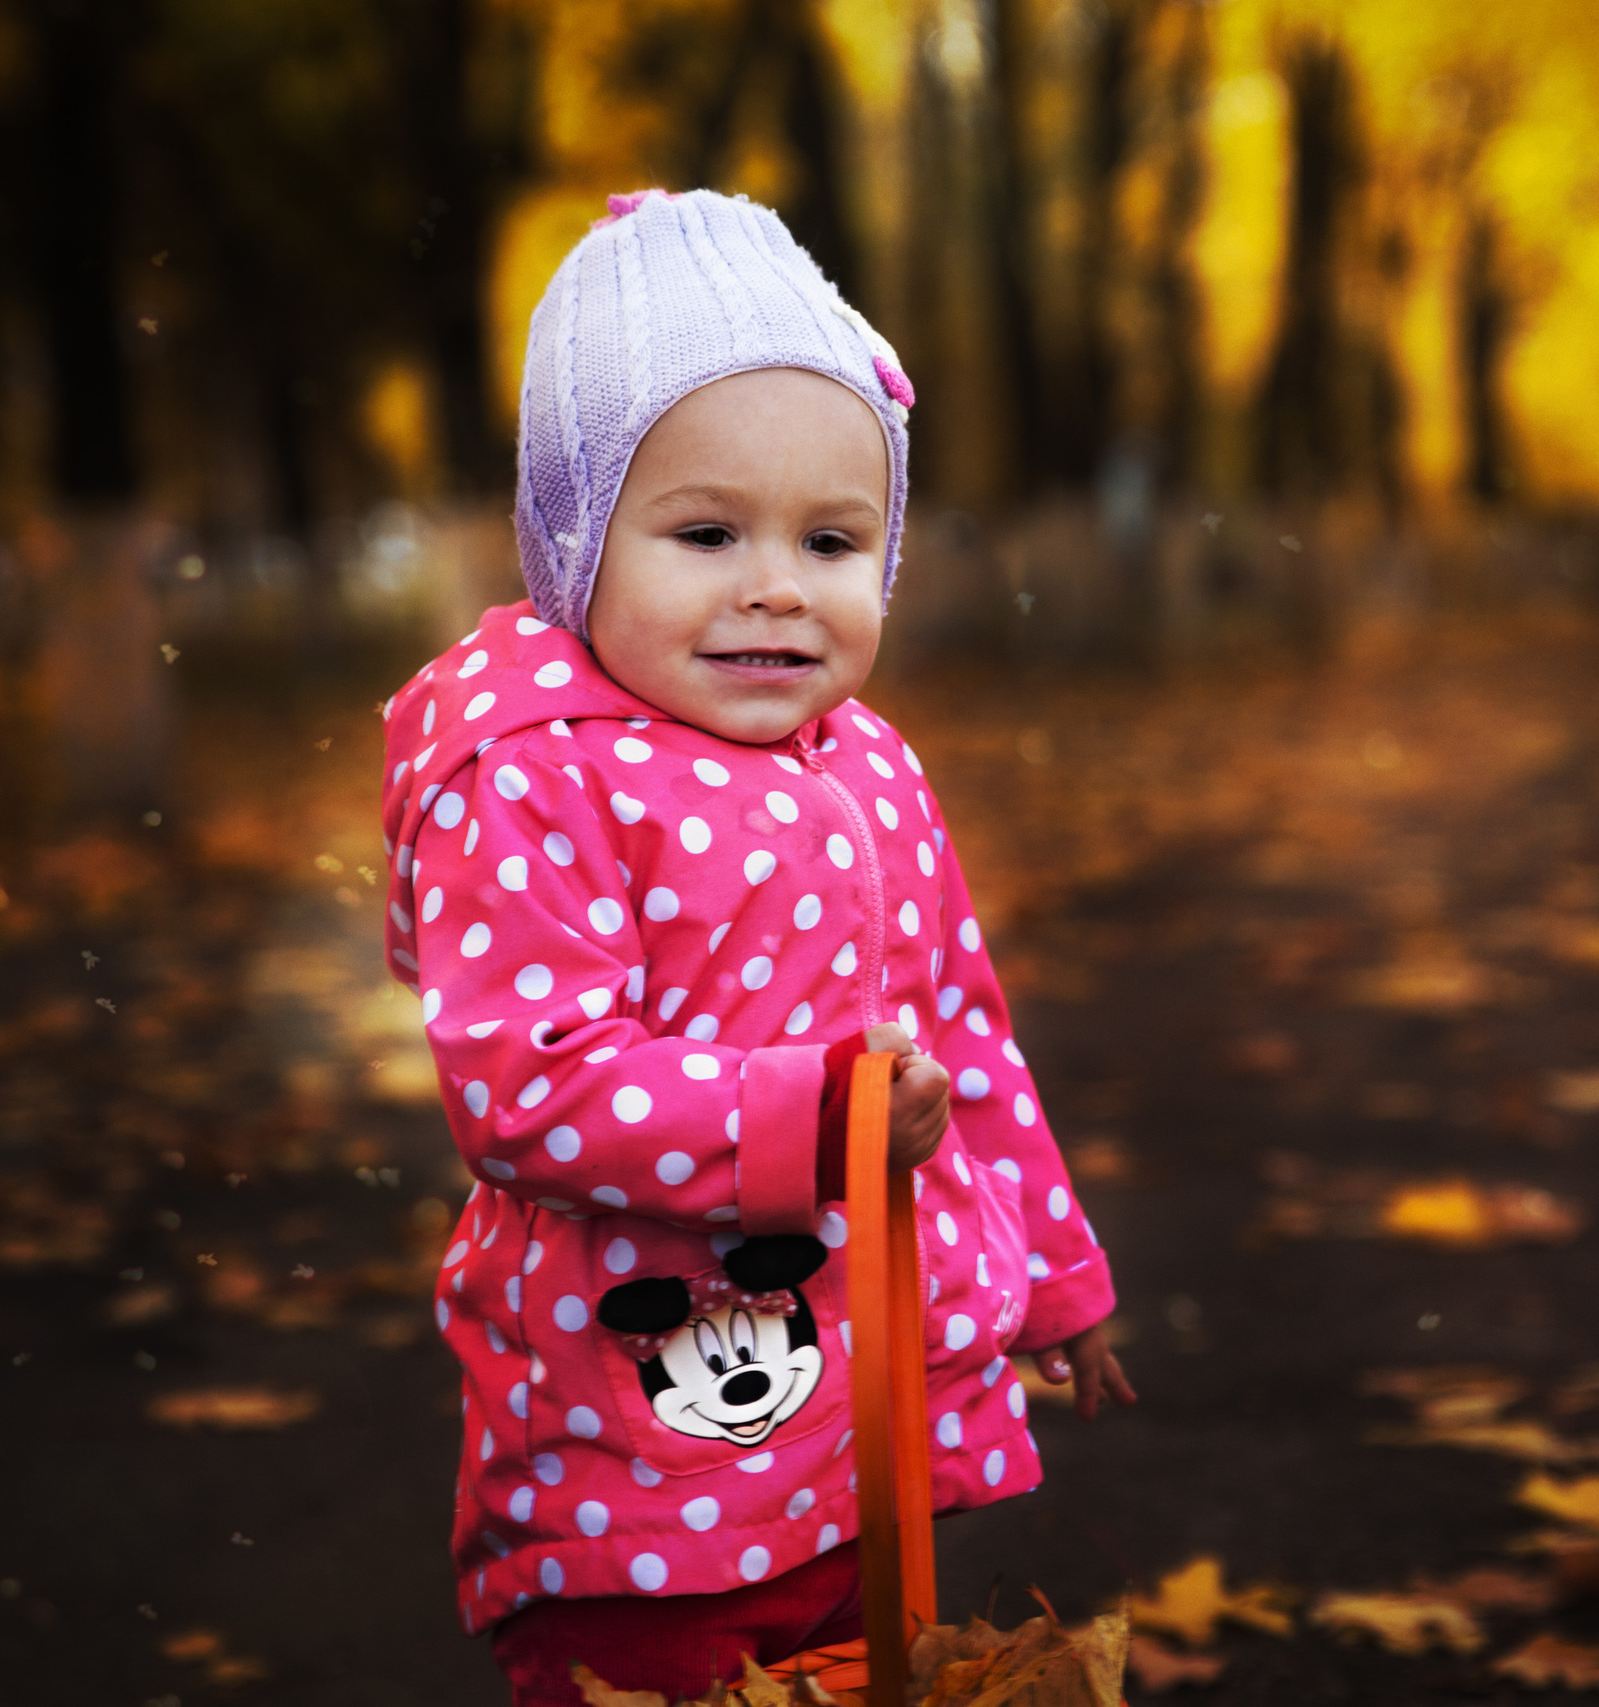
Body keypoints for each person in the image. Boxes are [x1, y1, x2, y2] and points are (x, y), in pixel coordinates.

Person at [378, 188, 1133, 1706]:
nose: (777, 585)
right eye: (708, 533)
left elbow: (962, 1030)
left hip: (867, 1405)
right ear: (577, 539)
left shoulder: (867, 766)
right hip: (638, 1436)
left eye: (833, 540)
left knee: (860, 1671)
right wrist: (820, 1114)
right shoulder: (531, 771)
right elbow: (531, 1085)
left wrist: (1052, 1277)